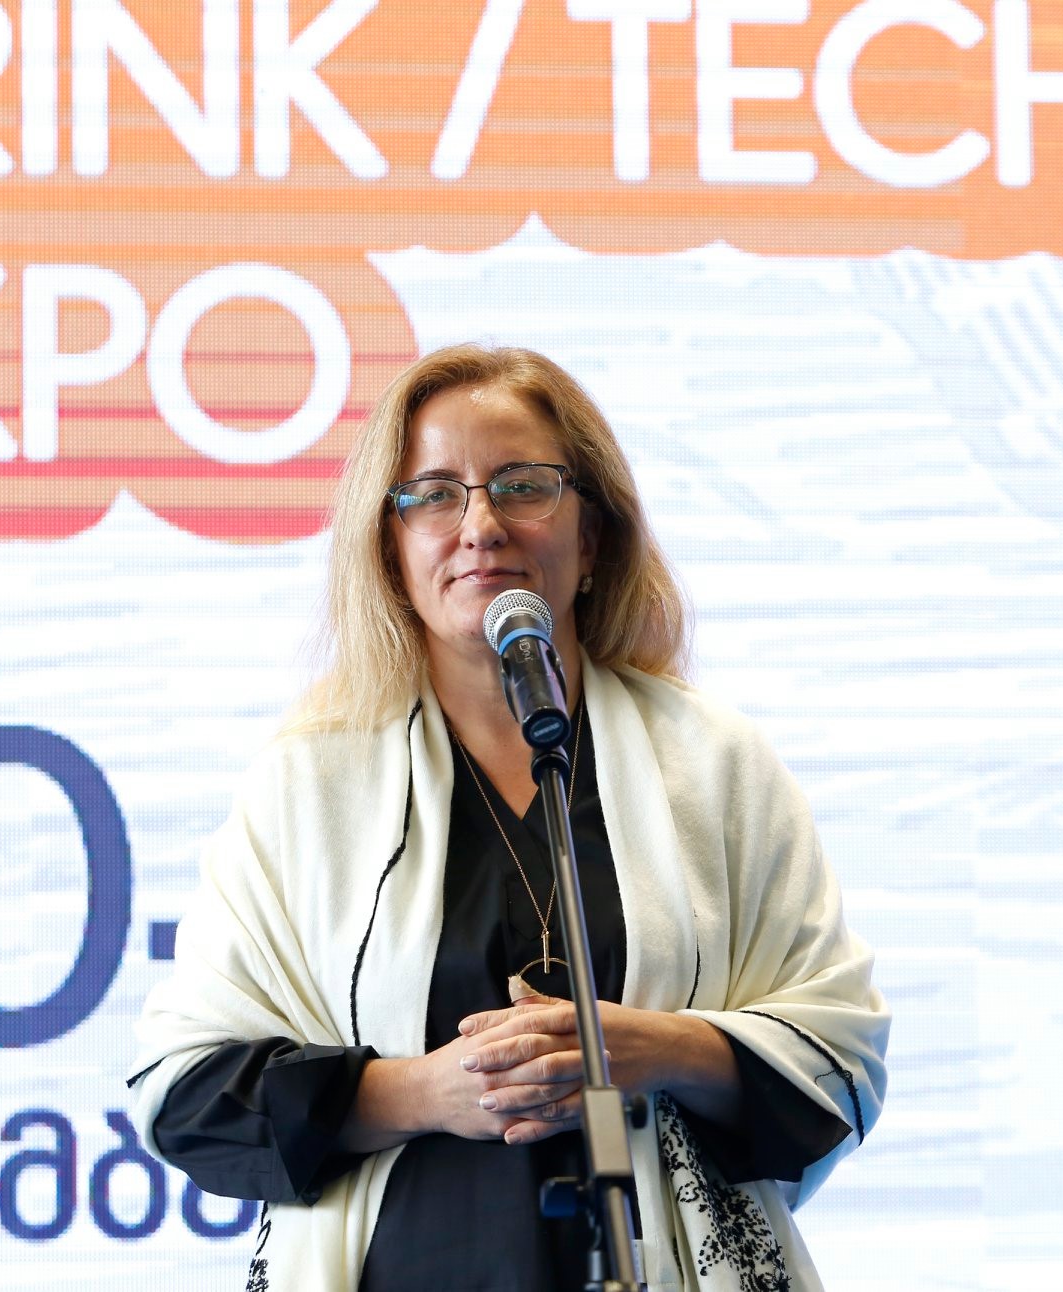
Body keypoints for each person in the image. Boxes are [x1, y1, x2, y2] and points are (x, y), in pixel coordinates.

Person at [128, 344, 890, 1290]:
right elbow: (185, 1093)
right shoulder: (306, 783)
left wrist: (653, 1047)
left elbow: (840, 1058)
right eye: (433, 495)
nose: (480, 527)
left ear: (594, 536)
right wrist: (418, 1092)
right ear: (390, 548)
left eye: (523, 487)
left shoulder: (714, 763)